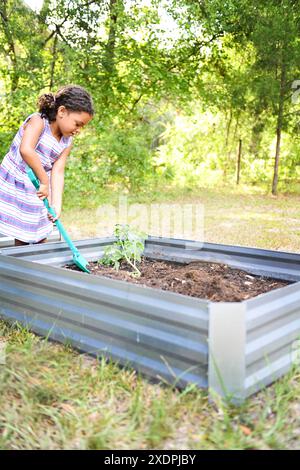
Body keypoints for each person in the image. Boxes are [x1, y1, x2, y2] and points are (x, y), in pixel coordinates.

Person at [0, 84, 94, 246]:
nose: (78, 130)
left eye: (82, 126)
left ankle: (39, 264)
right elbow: (26, 150)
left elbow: (58, 171)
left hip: (37, 188)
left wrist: (56, 203)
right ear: (62, 112)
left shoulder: (67, 141)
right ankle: (17, 265)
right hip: (16, 180)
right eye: (77, 124)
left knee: (41, 230)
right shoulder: (38, 122)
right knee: (20, 233)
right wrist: (44, 181)